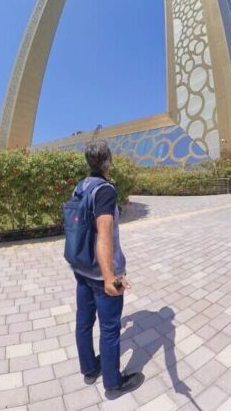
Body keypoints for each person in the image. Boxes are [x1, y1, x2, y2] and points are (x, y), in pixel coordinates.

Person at [73, 140, 144, 396]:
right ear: (108, 161)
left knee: (83, 321)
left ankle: (90, 369)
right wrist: (109, 277)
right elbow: (104, 233)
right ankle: (113, 383)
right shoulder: (104, 190)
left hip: (81, 268)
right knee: (110, 328)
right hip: (101, 273)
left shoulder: (80, 187)